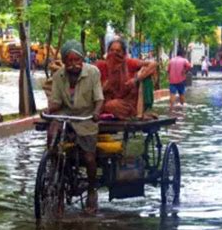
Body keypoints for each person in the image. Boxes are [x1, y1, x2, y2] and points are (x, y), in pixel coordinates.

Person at [48, 39, 104, 214]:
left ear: (82, 60)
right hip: (66, 115)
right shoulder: (58, 77)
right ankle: (55, 178)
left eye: (77, 60)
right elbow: (56, 102)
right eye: (69, 61)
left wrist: (96, 112)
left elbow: (99, 99)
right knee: (53, 141)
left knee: (88, 157)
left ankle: (92, 191)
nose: (73, 65)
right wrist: (48, 110)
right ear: (64, 62)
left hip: (86, 118)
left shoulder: (93, 72)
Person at [95, 38, 157, 120]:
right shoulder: (101, 65)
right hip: (104, 102)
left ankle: (135, 114)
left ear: (123, 53)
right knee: (106, 105)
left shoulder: (128, 63)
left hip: (126, 103)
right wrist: (104, 88)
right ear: (108, 52)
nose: (114, 54)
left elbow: (153, 64)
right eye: (111, 50)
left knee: (111, 105)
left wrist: (136, 79)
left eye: (118, 51)